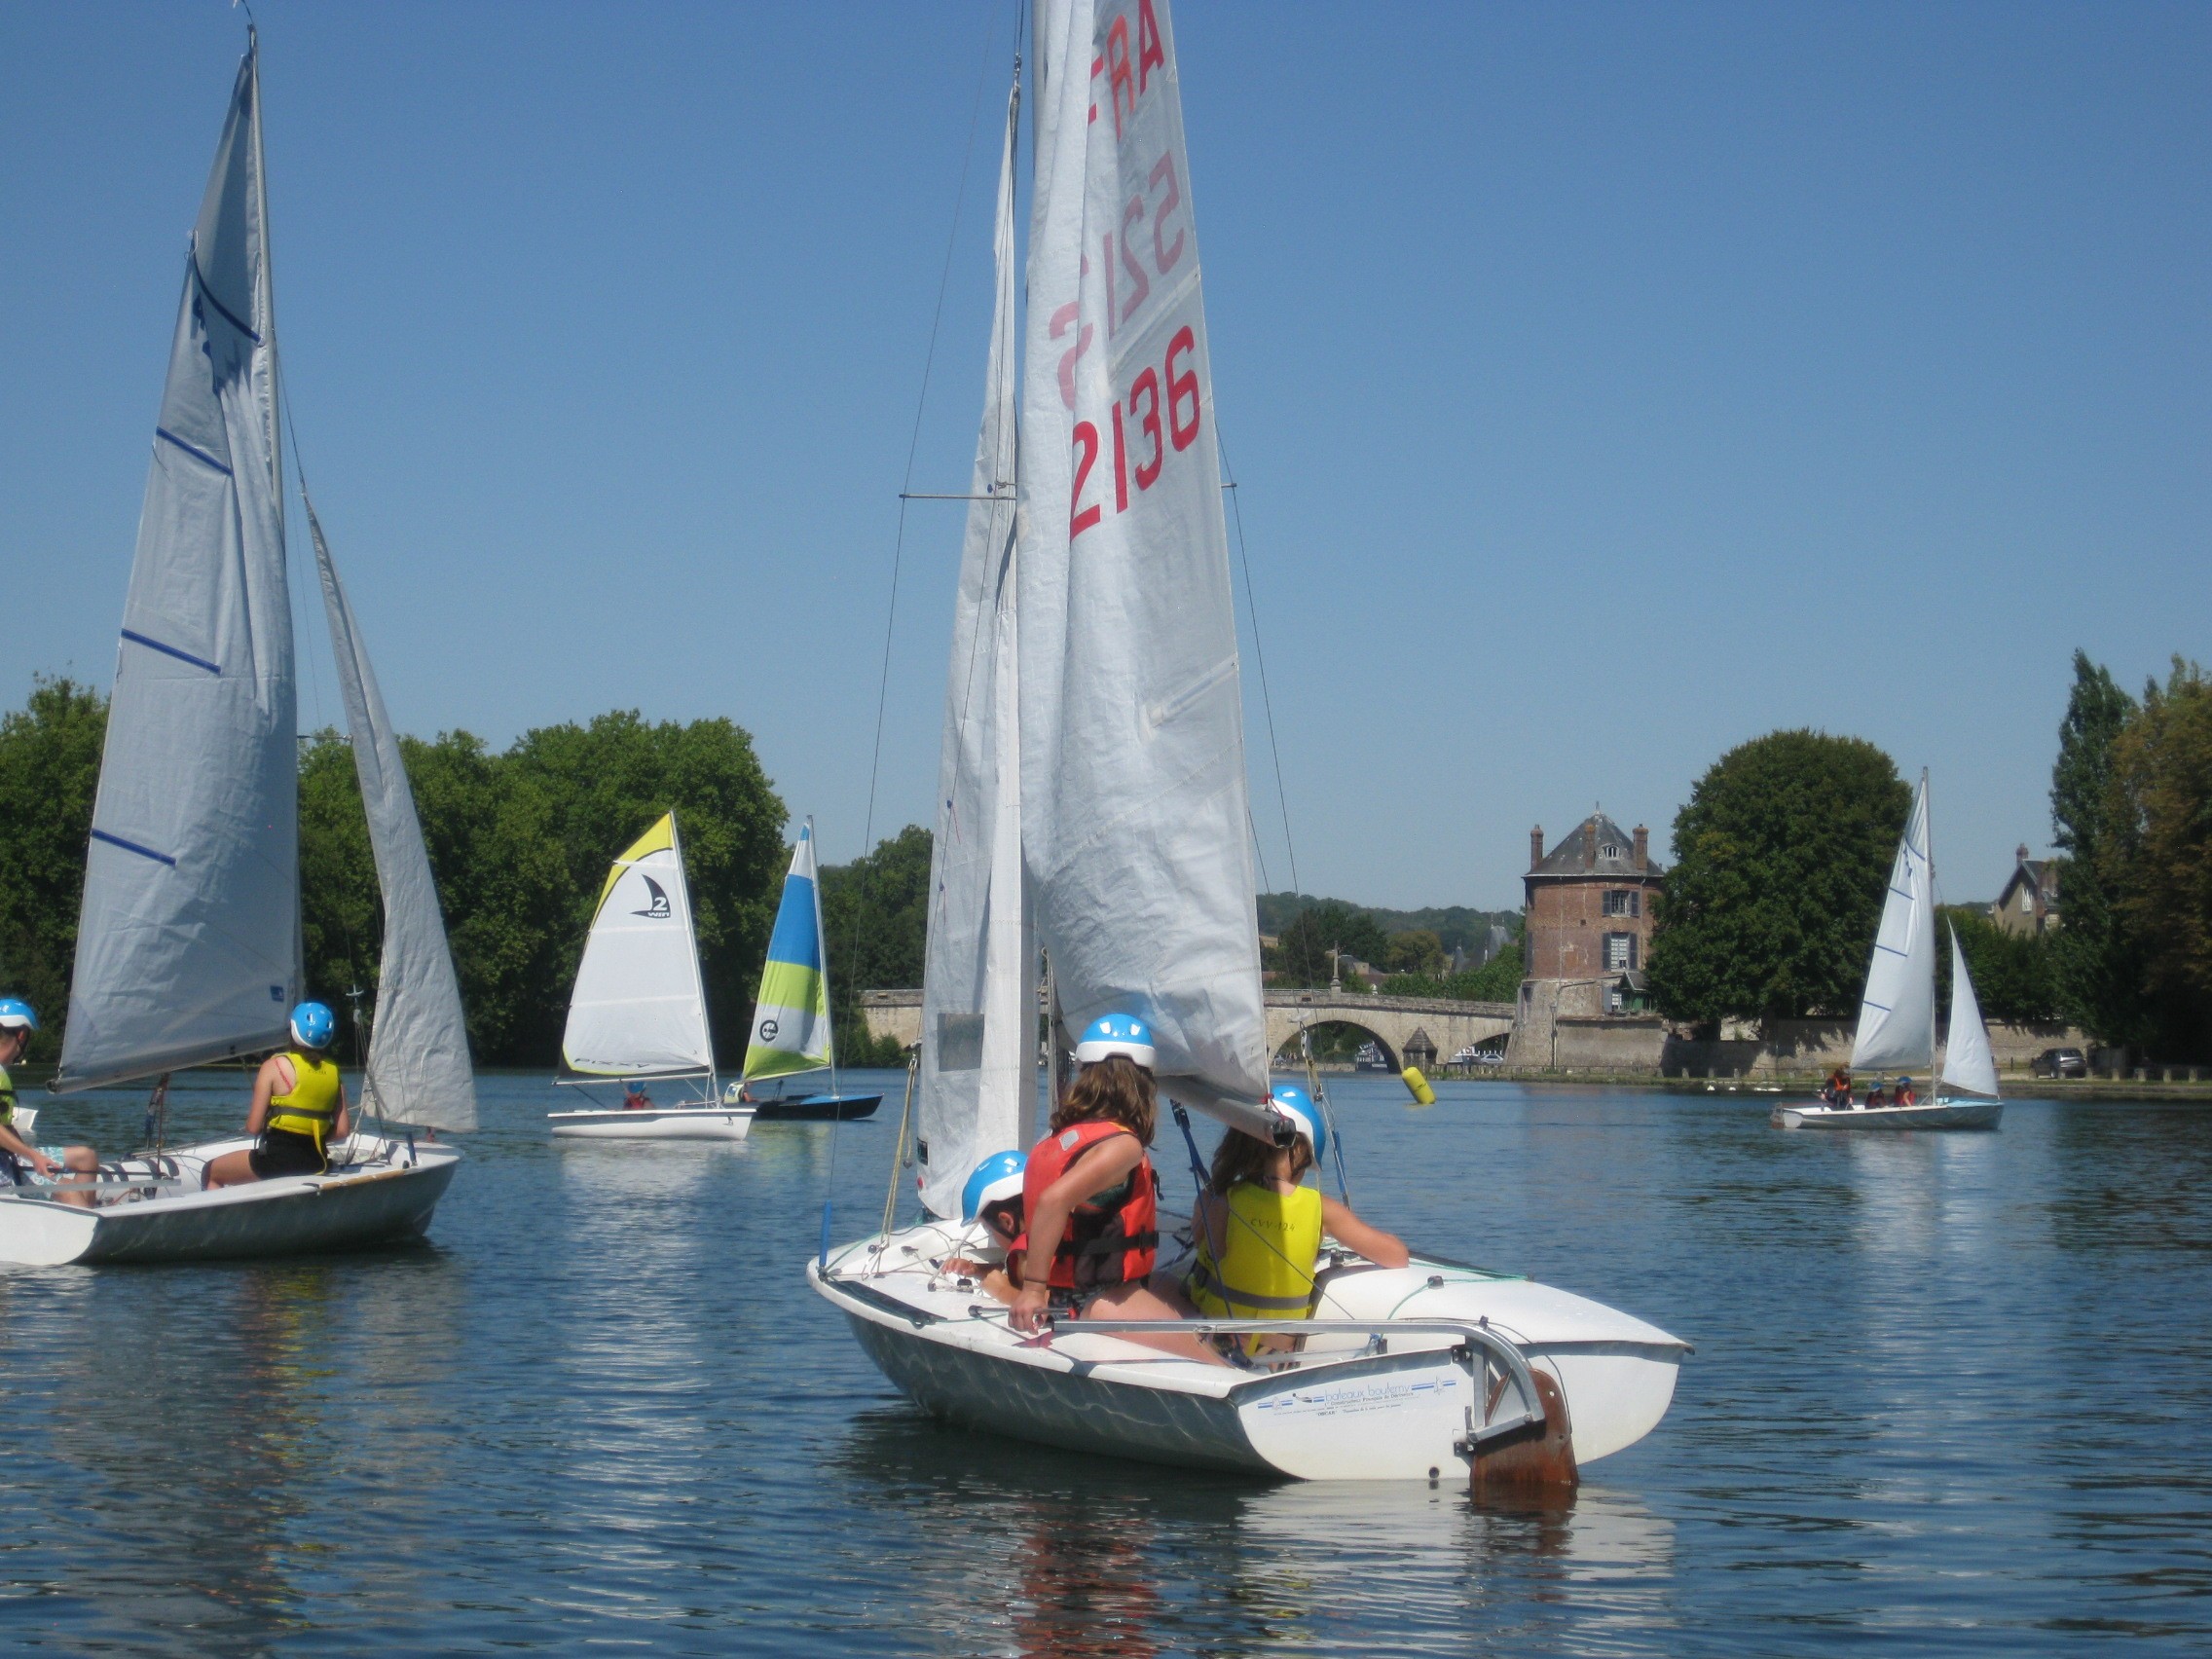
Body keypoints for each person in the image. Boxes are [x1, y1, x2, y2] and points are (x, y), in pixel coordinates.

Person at [1007, 1014, 1224, 1364]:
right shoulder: (1123, 1146)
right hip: (1103, 1300)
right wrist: (1033, 1290)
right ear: (1141, 1085)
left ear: (1086, 1075)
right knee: (1217, 1365)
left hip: (1068, 1296)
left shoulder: (1057, 1138)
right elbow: (1052, 1201)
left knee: (1181, 1293)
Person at [1186, 1085, 1408, 1357]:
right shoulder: (1323, 1209)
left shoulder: (1217, 1199)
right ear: (1302, 1151)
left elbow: (1204, 1252)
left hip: (1218, 1344)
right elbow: (1397, 1256)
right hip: (1277, 1353)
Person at [203, 1002, 351, 1189]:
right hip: (316, 1162)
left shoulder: (273, 1067)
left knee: (211, 1171)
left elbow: (253, 1127)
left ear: (292, 1030)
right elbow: (342, 1131)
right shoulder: (334, 1074)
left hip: (277, 1163)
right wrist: (313, 1137)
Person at [0, 999, 99, 1207]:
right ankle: (82, 1228)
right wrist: (32, 1155)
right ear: (21, 1035)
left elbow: (5, 1126)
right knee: (69, 1194)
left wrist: (27, 1153)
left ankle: (90, 1217)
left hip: (11, 1156)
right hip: (4, 1167)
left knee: (85, 1157)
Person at [939, 1150, 1027, 1305]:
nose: (991, 1235)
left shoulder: (1051, 1253)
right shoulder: (1045, 1240)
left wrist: (1003, 1291)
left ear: (1007, 1222)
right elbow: (1019, 1277)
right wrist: (976, 1270)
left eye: (989, 1230)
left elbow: (1053, 1303)